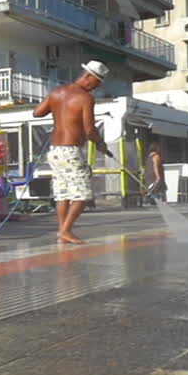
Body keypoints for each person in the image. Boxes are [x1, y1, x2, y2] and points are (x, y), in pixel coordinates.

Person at [32, 60, 112, 244]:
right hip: (70, 151)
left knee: (63, 194)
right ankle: (66, 230)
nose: (97, 87)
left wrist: (56, 105)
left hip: (55, 151)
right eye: (97, 82)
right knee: (83, 195)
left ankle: (63, 232)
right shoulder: (85, 98)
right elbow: (90, 129)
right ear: (88, 77)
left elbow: (37, 113)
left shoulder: (56, 92)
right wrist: (100, 144)